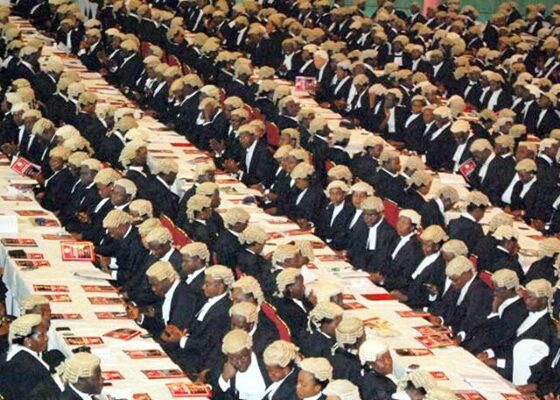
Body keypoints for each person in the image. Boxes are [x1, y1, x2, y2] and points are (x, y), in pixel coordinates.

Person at [162, 265, 234, 376]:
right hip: (189, 352)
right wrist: (180, 332)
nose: (203, 287)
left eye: (207, 284)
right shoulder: (208, 300)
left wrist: (181, 340)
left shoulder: (223, 311)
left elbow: (208, 344)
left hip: (198, 362)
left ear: (220, 286)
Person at [126, 261, 200, 339]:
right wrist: (139, 317)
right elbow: (160, 323)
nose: (153, 289)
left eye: (155, 285)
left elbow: (172, 333)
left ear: (166, 281)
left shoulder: (185, 297)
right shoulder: (168, 291)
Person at [0, 314, 61, 399]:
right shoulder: (31, 369)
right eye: (42, 335)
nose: (46, 338)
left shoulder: (11, 352)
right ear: (28, 341)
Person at [210, 329, 270, 400]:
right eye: (233, 359)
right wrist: (224, 379)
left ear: (250, 350)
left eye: (243, 357)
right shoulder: (221, 368)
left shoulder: (267, 365)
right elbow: (214, 397)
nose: (239, 363)